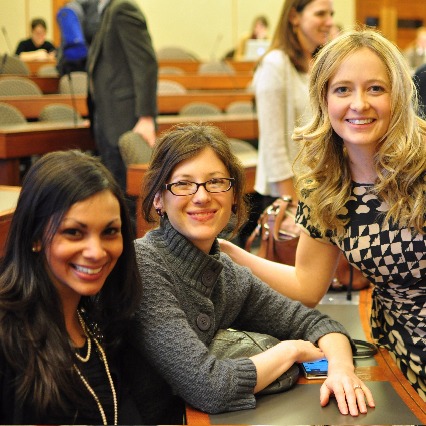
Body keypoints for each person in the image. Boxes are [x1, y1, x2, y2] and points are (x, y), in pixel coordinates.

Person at [221, 29, 426, 401]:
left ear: (397, 95)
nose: (359, 104)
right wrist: (230, 253)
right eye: (343, 90)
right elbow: (306, 285)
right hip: (399, 356)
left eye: (376, 89)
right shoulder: (326, 187)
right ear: (323, 99)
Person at [130, 123, 375, 417]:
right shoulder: (145, 264)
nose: (201, 196)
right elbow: (209, 388)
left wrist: (341, 371)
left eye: (216, 182)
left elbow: (316, 324)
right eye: (183, 184)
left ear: (234, 195)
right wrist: (291, 351)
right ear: (159, 199)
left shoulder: (226, 273)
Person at [0, 150, 147, 424]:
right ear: (35, 236)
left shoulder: (101, 319)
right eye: (74, 232)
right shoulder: (8, 336)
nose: (96, 252)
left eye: (109, 232)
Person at [253, 0, 334, 208]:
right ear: (294, 17)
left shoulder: (317, 63)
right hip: (287, 193)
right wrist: (291, 202)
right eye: (320, 14)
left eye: (331, 14)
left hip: (317, 187)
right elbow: (273, 143)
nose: (329, 22)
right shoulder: (275, 64)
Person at [87, 0, 158, 195]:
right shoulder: (104, 11)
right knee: (114, 189)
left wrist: (146, 116)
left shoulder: (122, 8)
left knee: (128, 194)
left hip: (125, 119)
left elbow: (145, 63)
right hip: (106, 116)